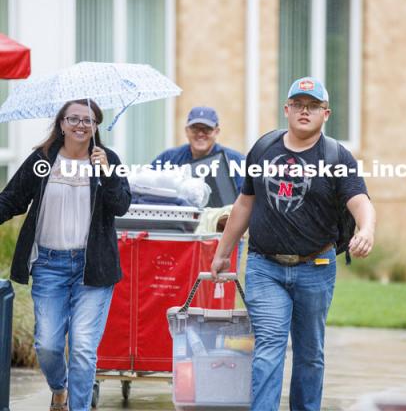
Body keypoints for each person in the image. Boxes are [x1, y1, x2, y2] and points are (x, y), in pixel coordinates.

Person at [211, 77, 376, 411]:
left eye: (313, 106)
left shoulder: (336, 156)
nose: (305, 111)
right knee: (269, 347)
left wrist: (367, 229)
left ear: (325, 114)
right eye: (299, 104)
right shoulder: (263, 148)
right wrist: (222, 253)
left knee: (309, 353)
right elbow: (245, 203)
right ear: (286, 109)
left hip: (315, 267)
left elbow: (360, 200)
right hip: (264, 266)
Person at [0, 99, 131, 411]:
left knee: (84, 347)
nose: (80, 125)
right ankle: (60, 388)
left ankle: (79, 407)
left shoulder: (108, 159)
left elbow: (121, 206)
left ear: (97, 126)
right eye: (73, 119)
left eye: (88, 120)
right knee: (48, 345)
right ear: (61, 124)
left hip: (93, 269)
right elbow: (12, 199)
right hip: (49, 266)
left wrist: (108, 173)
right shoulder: (43, 159)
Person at [151, 106, 245, 193]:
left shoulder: (237, 161)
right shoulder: (168, 158)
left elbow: (245, 201)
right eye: (195, 129)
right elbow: (146, 185)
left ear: (216, 132)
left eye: (207, 129)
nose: (200, 134)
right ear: (186, 131)